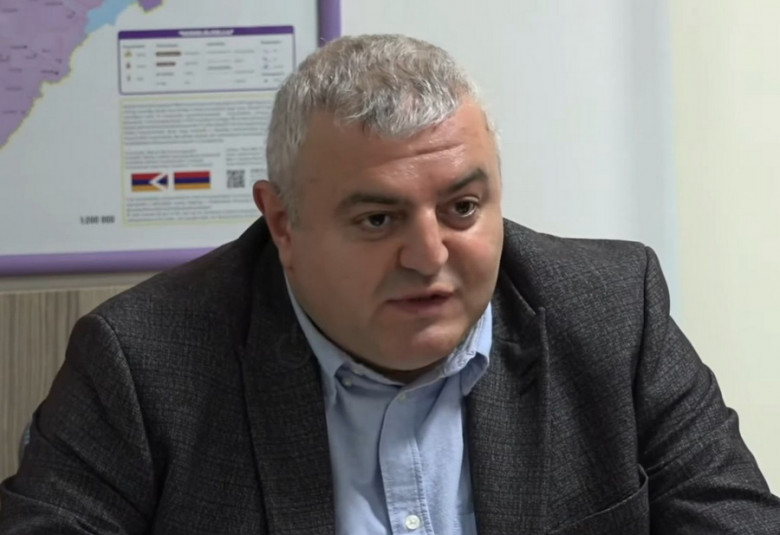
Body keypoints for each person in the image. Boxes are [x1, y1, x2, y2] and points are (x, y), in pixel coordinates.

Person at [1, 34, 779, 535]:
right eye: (378, 219)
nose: (429, 254)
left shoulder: (611, 312)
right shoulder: (146, 361)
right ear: (283, 224)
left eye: (462, 208)